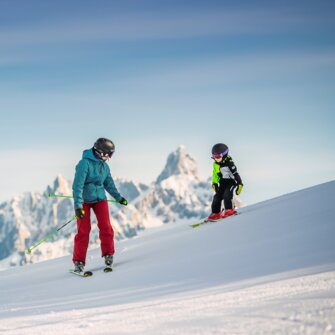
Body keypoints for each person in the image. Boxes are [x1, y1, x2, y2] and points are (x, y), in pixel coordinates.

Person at [72, 137, 128, 273]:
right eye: (108, 154)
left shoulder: (104, 166)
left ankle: (108, 254)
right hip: (84, 201)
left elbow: (109, 184)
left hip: (100, 199)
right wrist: (78, 206)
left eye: (111, 154)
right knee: (83, 230)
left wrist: (119, 198)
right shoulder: (84, 164)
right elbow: (77, 186)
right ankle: (79, 262)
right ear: (100, 152)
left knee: (106, 227)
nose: (109, 157)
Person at [208, 143, 243, 221]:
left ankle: (230, 209)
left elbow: (236, 174)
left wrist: (240, 184)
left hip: (231, 181)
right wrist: (215, 183)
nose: (216, 158)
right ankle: (216, 213)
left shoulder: (229, 163)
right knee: (217, 197)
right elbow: (215, 174)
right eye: (214, 156)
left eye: (218, 156)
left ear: (224, 154)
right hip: (223, 182)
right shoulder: (216, 164)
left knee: (227, 194)